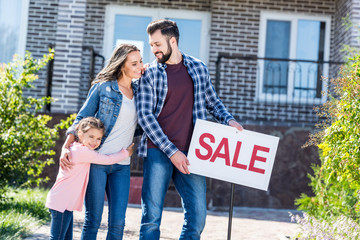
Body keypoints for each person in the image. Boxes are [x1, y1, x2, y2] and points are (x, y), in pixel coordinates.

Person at [136, 19, 244, 240]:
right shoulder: (149, 74)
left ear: (172, 41)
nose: (153, 49)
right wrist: (172, 152)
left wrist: (229, 120)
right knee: (151, 218)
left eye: (157, 44)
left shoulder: (198, 67)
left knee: (197, 217)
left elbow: (213, 102)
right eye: (151, 45)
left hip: (194, 152)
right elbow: (145, 117)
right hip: (158, 150)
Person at [59, 43, 143, 239]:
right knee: (93, 220)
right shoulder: (103, 87)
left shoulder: (141, 92)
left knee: (118, 223)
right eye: (134, 63)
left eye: (140, 62)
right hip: (97, 161)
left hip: (122, 164)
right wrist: (66, 146)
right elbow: (81, 118)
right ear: (122, 65)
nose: (140, 66)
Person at [46, 117, 134, 240]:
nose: (95, 142)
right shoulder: (81, 151)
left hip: (64, 203)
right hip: (61, 202)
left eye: (99, 138)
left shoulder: (76, 147)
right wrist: (125, 153)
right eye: (91, 137)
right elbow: (106, 160)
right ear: (80, 134)